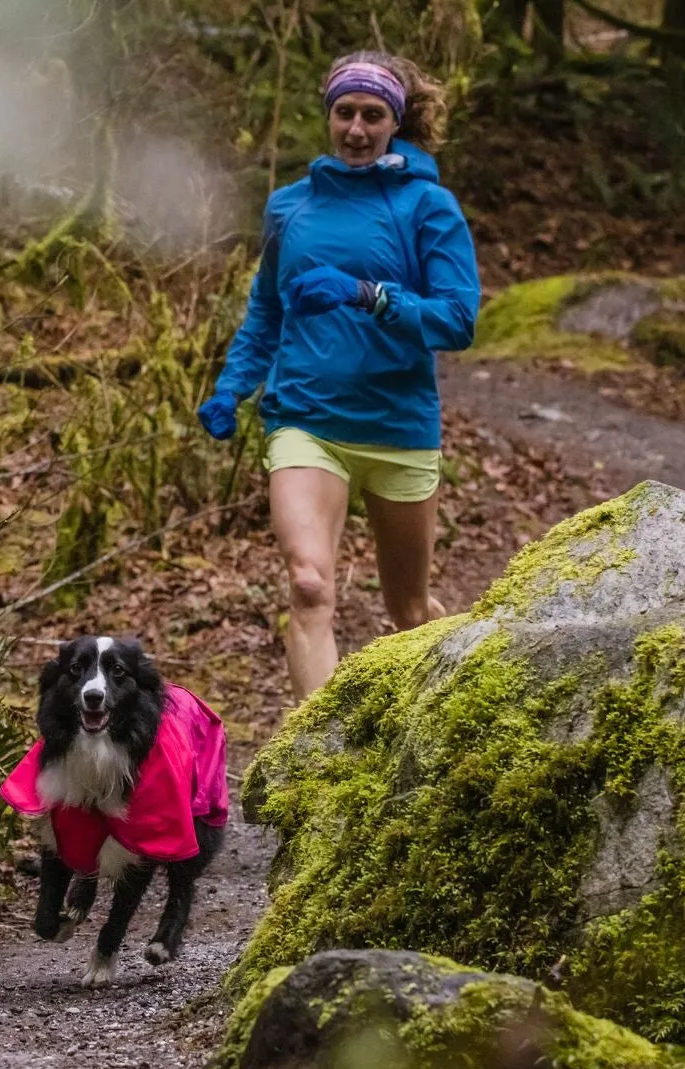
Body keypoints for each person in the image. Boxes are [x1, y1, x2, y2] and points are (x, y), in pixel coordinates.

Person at [199, 50, 480, 700]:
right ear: (328, 116)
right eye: (344, 112)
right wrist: (231, 384)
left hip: (398, 426)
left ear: (395, 122)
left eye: (372, 115)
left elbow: (458, 320)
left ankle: (458, 699)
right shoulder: (288, 208)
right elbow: (266, 309)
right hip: (306, 420)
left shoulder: (427, 207)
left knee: (409, 611)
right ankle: (318, 767)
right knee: (308, 584)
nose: (356, 128)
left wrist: (367, 294)